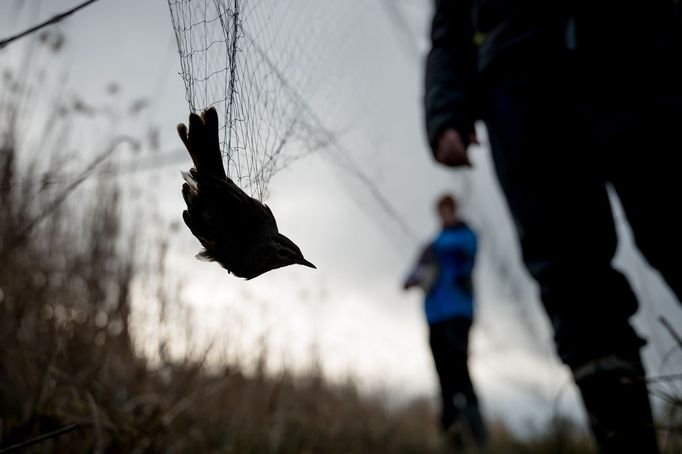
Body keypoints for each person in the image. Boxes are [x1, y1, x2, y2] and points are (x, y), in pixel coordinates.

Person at [424, 1, 682, 453]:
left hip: (639, 47)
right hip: (518, 83)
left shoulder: (462, 238)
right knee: (572, 279)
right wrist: (446, 108)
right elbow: (449, 23)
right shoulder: (437, 243)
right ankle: (626, 441)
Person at [403, 194, 487, 449]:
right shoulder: (433, 245)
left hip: (458, 312)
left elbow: (466, 253)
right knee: (443, 377)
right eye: (441, 210)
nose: (445, 214)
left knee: (459, 370)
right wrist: (415, 275)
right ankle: (453, 440)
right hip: (434, 315)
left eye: (448, 209)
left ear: (454, 210)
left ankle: (479, 438)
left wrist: (431, 253)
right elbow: (412, 277)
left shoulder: (465, 236)